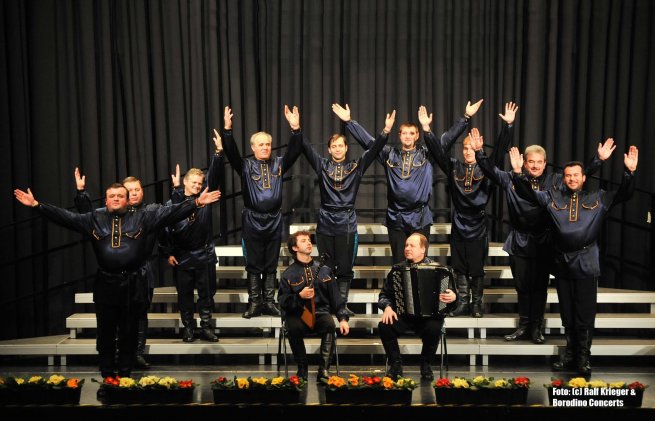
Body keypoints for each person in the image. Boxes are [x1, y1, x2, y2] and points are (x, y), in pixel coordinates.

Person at [13, 184, 220, 378]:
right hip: (106, 285)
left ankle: (125, 377)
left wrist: (196, 203)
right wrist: (37, 205)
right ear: (106, 200)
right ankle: (107, 376)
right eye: (112, 196)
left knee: (129, 333)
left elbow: (171, 213)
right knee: (105, 333)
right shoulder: (94, 218)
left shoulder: (144, 217)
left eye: (120, 196)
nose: (116, 199)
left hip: (133, 284)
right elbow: (66, 217)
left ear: (127, 200)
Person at [475, 131, 615, 343]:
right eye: (531, 162)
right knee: (522, 286)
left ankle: (536, 327)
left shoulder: (555, 181)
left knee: (540, 287)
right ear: (524, 162)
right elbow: (489, 170)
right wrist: (479, 152)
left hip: (545, 241)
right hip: (520, 240)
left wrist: (598, 160)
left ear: (545, 163)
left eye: (539, 162)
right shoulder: (511, 177)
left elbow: (578, 175)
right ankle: (524, 325)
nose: (535, 166)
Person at [511, 144, 638, 375]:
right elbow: (527, 193)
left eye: (576, 175)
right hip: (562, 263)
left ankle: (583, 356)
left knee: (584, 313)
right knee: (567, 313)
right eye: (568, 175)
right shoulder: (552, 198)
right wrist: (519, 174)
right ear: (564, 178)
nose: (571, 179)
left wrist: (629, 173)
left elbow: (625, 194)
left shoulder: (598, 198)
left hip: (586, 262)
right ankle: (570, 353)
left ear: (584, 178)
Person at [334, 100, 483, 264]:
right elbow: (369, 142)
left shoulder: (427, 154)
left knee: (419, 263)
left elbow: (447, 140)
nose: (407, 136)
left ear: (417, 136)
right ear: (399, 135)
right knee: (399, 263)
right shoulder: (389, 154)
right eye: (404, 133)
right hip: (395, 217)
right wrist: (349, 122)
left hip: (420, 217)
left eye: (411, 133)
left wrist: (465, 117)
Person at [299, 107, 394, 315]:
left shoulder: (355, 166)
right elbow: (305, 148)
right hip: (325, 222)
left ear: (346, 148)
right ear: (329, 149)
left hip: (346, 222)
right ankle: (327, 305)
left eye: (340, 145)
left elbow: (374, 150)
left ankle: (341, 306)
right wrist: (296, 128)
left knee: (344, 268)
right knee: (325, 266)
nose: (337, 149)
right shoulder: (322, 165)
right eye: (334, 146)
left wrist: (385, 132)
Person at [73, 169, 172, 367]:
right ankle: (118, 354)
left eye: (137, 189)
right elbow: (89, 217)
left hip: (143, 270)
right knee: (115, 316)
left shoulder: (150, 212)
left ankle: (137, 352)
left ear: (142, 191)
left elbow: (170, 220)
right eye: (130, 190)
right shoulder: (111, 215)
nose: (134, 193)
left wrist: (168, 252)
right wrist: (82, 193)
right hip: (116, 275)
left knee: (140, 313)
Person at [424, 102, 507, 318]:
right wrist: (428, 130)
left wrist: (507, 126)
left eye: (472, 148)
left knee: (476, 267)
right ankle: (462, 301)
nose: (468, 152)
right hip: (459, 222)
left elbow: (499, 153)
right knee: (459, 265)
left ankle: (477, 304)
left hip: (477, 224)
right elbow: (437, 151)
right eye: (465, 148)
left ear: (478, 147)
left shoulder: (486, 168)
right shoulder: (455, 166)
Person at [222, 105, 303, 318]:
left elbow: (295, 151)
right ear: (253, 147)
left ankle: (269, 301)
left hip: (274, 220)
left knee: (270, 264)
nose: (265, 147)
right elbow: (231, 153)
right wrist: (227, 131)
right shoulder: (246, 166)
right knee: (253, 264)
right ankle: (254, 302)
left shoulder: (278, 164)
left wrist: (296, 129)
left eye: (268, 144)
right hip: (252, 221)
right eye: (261, 144)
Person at [159, 134, 224, 343]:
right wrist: (167, 253)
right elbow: (164, 230)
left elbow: (214, 176)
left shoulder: (206, 198)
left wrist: (218, 153)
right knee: (185, 295)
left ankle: (206, 327)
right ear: (184, 182)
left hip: (204, 255)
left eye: (200, 183)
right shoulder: (173, 204)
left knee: (207, 295)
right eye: (194, 182)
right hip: (182, 256)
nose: (197, 186)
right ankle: (188, 328)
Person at [378, 233, 457, 380]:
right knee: (384, 326)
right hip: (403, 315)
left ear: (423, 249)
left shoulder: (441, 270)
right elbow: (384, 295)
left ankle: (426, 364)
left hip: (429, 317)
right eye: (406, 245)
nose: (407, 248)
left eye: (412, 246)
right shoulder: (397, 270)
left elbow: (452, 299)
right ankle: (396, 364)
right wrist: (387, 307)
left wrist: (453, 297)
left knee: (434, 327)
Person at [278, 231, 350, 382]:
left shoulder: (324, 270)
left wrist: (343, 318)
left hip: (320, 312)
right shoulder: (288, 274)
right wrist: (299, 296)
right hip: (298, 313)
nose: (309, 243)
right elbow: (283, 301)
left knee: (329, 324)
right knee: (293, 327)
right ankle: (302, 368)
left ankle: (323, 369)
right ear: (295, 248)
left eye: (309, 240)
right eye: (303, 241)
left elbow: (336, 298)